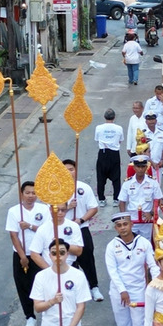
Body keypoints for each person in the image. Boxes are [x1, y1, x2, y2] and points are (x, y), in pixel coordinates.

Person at [106, 212, 157, 326]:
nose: (123, 228)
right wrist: (122, 290)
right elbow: (112, 271)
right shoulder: (112, 246)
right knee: (123, 324)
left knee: (140, 324)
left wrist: (158, 283)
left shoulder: (143, 243)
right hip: (119, 291)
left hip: (138, 290)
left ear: (131, 224)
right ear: (116, 228)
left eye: (125, 224)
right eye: (119, 225)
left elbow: (152, 265)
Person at [5, 181, 50, 326]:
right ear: (21, 194)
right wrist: (22, 256)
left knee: (43, 285)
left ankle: (46, 313)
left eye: (34, 193)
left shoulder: (44, 209)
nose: (31, 196)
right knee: (24, 286)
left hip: (40, 255)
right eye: (28, 193)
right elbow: (13, 234)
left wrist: (30, 226)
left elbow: (47, 231)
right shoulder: (14, 211)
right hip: (21, 255)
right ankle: (30, 317)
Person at [63, 160, 103, 302]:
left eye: (71, 169)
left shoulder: (83, 188)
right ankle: (73, 290)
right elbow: (52, 211)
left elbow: (93, 208)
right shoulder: (56, 190)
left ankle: (94, 287)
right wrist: (67, 207)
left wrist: (80, 220)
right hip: (63, 231)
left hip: (81, 228)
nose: (69, 172)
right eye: (65, 170)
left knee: (87, 257)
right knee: (67, 261)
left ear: (76, 170)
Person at [118, 155, 163, 240]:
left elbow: (159, 200)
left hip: (146, 220)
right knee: (131, 244)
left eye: (142, 167)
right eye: (138, 167)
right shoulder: (127, 183)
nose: (140, 169)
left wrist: (151, 213)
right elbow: (122, 202)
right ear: (134, 167)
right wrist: (124, 218)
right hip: (132, 220)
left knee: (146, 245)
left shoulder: (153, 182)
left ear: (146, 167)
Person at [29, 203, 84, 270]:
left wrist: (63, 244)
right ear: (50, 209)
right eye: (57, 210)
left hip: (70, 268)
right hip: (50, 269)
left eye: (63, 210)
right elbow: (34, 254)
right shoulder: (43, 229)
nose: (60, 213)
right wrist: (50, 270)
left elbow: (79, 251)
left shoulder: (74, 226)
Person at [95, 108, 124, 207]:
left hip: (103, 153)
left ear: (104, 117)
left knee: (101, 177)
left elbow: (97, 140)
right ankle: (116, 199)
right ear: (114, 117)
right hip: (114, 154)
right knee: (116, 178)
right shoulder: (119, 128)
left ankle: (102, 199)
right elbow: (120, 140)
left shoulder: (99, 128)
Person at [142, 111, 163, 183]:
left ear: (156, 121)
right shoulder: (142, 135)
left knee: (157, 187)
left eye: (153, 119)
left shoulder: (162, 134)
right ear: (146, 122)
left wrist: (162, 160)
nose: (151, 121)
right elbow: (142, 152)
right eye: (149, 120)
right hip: (146, 166)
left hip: (158, 166)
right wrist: (151, 163)